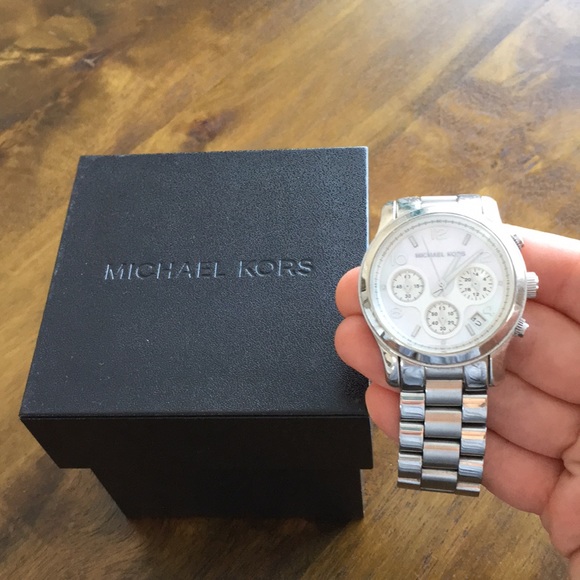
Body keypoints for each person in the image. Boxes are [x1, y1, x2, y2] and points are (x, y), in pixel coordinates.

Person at [334, 226, 580, 577]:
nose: (438, 288)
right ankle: (441, 470)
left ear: (522, 286)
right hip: (412, 352)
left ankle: (442, 470)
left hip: (468, 351)